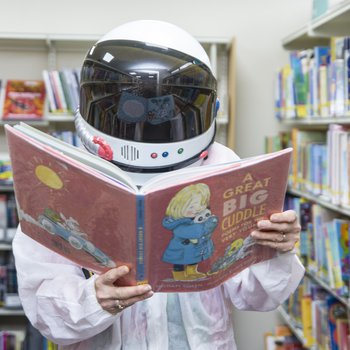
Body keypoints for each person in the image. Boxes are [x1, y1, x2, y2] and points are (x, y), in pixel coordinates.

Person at [13, 20, 304, 350]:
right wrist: (94, 300)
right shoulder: (61, 178)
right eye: (137, 108)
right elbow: (46, 312)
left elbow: (256, 296)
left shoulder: (222, 168)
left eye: (165, 106)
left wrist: (274, 251)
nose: (149, 124)